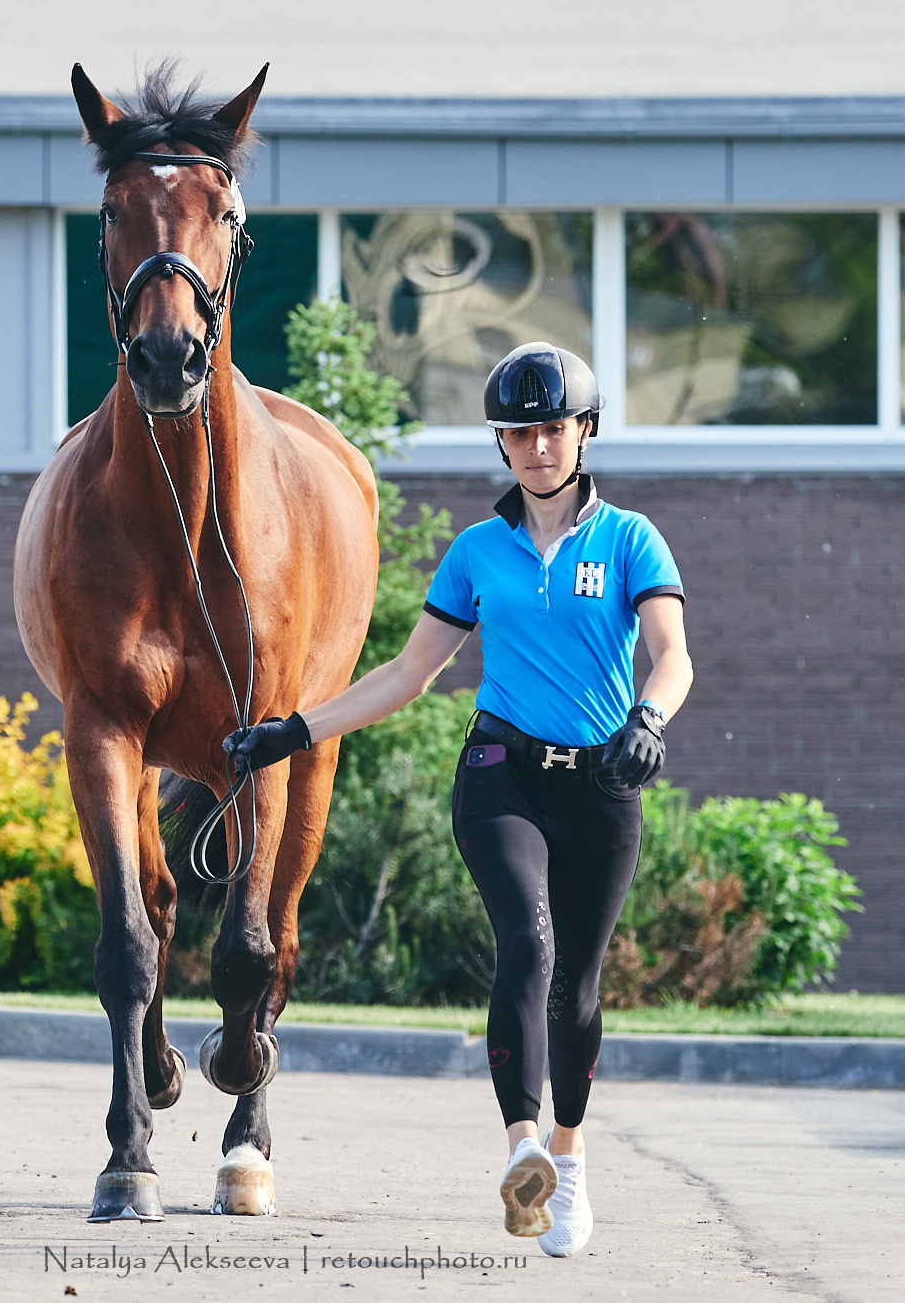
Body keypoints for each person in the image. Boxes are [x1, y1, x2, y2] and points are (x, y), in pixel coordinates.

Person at [225, 341, 692, 1257]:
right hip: (500, 774)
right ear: (503, 443)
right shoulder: (479, 551)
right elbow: (407, 671)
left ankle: (570, 1150)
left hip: (602, 781)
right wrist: (294, 729)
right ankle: (525, 1151)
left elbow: (673, 654)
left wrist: (650, 718)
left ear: (584, 432)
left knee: (580, 986)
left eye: (553, 428)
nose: (537, 446)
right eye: (518, 432)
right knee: (527, 941)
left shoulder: (631, 538)